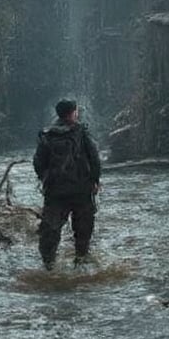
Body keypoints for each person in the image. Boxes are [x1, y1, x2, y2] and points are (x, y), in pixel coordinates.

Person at [33, 99, 101, 269]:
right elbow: (95, 158)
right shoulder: (80, 132)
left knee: (51, 229)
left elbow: (38, 162)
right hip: (81, 190)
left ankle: (48, 265)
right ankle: (81, 262)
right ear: (73, 113)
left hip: (55, 192)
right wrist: (95, 181)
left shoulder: (48, 134)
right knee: (83, 230)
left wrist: (45, 179)